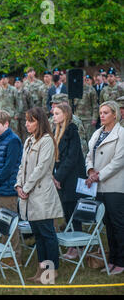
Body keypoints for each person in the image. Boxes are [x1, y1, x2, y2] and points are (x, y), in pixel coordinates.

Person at [15, 107, 63, 283]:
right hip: (29, 194)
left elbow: (41, 168)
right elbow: (22, 166)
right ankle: (41, 269)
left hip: (41, 194)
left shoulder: (47, 141)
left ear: (40, 122)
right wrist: (18, 185)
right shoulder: (28, 140)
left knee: (47, 234)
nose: (27, 124)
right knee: (38, 235)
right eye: (26, 120)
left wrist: (25, 188)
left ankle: (51, 272)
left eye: (31, 120)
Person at [85, 101, 124, 275]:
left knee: (118, 224)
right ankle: (112, 259)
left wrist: (98, 175)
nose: (101, 115)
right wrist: (91, 169)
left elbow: (118, 161)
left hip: (115, 185)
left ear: (115, 115)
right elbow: (89, 155)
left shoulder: (121, 134)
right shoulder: (97, 133)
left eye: (106, 112)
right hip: (99, 186)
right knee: (107, 224)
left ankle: (121, 261)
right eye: (100, 112)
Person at [0, 110, 23, 266]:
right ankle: (5, 252)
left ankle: (15, 257)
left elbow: (9, 168)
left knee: (10, 224)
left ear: (6, 124)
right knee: (1, 223)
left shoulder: (13, 141)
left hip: (8, 189)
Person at [52, 103, 86, 259]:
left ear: (65, 114)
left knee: (73, 212)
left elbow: (72, 158)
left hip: (71, 178)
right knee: (67, 212)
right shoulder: (57, 131)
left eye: (57, 113)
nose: (54, 116)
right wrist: (55, 176)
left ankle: (78, 246)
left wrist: (58, 177)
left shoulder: (72, 130)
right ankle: (72, 245)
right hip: (62, 177)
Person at [73, 74, 99, 140]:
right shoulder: (74, 89)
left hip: (88, 119)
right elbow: (71, 105)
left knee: (90, 139)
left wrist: (94, 118)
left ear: (84, 77)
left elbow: (95, 105)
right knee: (79, 139)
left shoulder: (91, 89)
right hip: (77, 118)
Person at [15, 76, 33, 142]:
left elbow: (31, 104)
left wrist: (30, 114)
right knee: (18, 132)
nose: (16, 84)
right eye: (15, 82)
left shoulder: (26, 92)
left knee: (25, 132)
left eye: (18, 82)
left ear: (22, 83)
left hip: (25, 115)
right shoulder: (14, 92)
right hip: (17, 116)